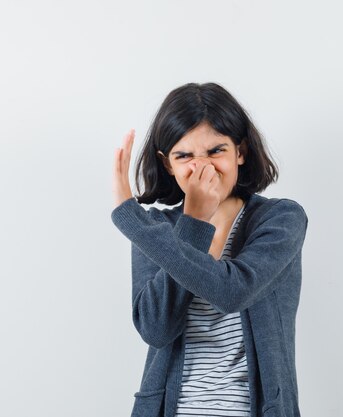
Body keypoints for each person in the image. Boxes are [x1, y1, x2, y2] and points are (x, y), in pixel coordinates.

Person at [110, 82, 309, 417]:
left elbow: (232, 291)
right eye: (184, 155)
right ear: (168, 164)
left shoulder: (280, 218)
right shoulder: (157, 231)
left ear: (240, 152)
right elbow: (155, 329)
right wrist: (193, 222)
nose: (202, 167)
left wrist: (132, 219)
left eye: (216, 151)